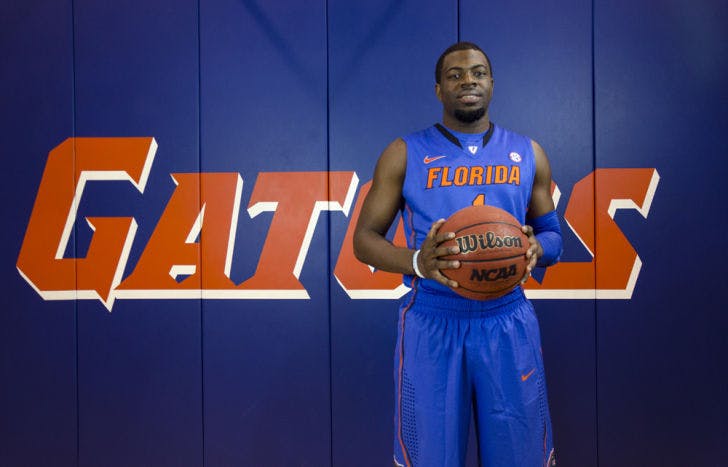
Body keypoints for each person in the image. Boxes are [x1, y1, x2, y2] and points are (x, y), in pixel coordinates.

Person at [353, 42, 562, 467]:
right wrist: (417, 262)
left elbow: (553, 235)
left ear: (492, 83)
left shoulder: (528, 153)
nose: (468, 81)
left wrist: (539, 249)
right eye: (455, 74)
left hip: (507, 321)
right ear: (438, 89)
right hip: (433, 319)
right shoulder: (404, 153)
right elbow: (364, 240)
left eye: (478, 72)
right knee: (432, 458)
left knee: (521, 457)